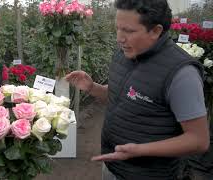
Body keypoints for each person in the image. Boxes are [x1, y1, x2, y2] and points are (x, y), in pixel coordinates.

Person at [65, 0, 210, 180]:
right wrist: (93, 88)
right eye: (118, 28)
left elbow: (198, 140)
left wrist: (140, 150)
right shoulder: (124, 53)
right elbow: (121, 95)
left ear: (156, 31)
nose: (119, 38)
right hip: (112, 166)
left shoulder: (182, 74)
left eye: (129, 31)